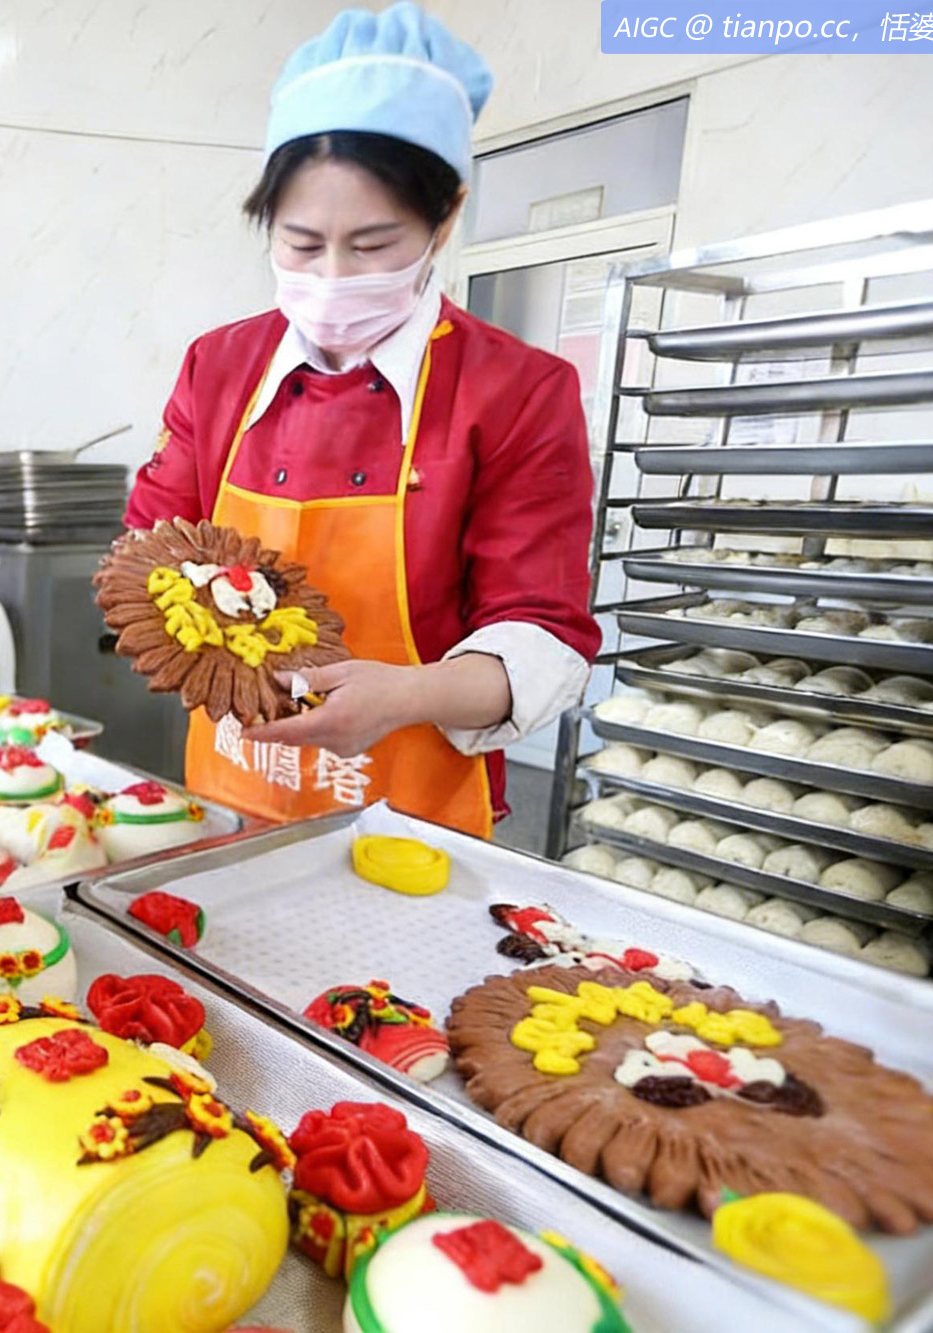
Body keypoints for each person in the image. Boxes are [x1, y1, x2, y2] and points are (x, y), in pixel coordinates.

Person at [123, 3, 600, 836]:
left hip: (412, 820)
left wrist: (409, 694)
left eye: (374, 245)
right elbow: (152, 544)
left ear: (445, 216)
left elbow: (544, 634)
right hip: (228, 799)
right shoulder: (221, 365)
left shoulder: (517, 390)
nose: (334, 275)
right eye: (302, 244)